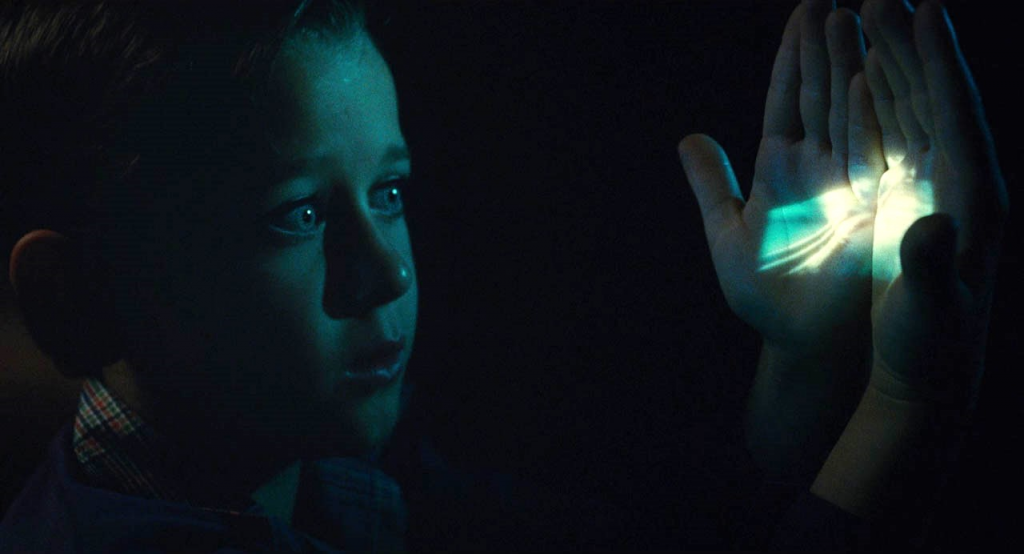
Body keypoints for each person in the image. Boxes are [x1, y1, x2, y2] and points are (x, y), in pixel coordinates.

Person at [0, 0, 1006, 551]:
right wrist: (907, 399)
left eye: (389, 192)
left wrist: (802, 350)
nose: (387, 271)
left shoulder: (315, 467)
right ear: (75, 300)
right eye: (295, 215)